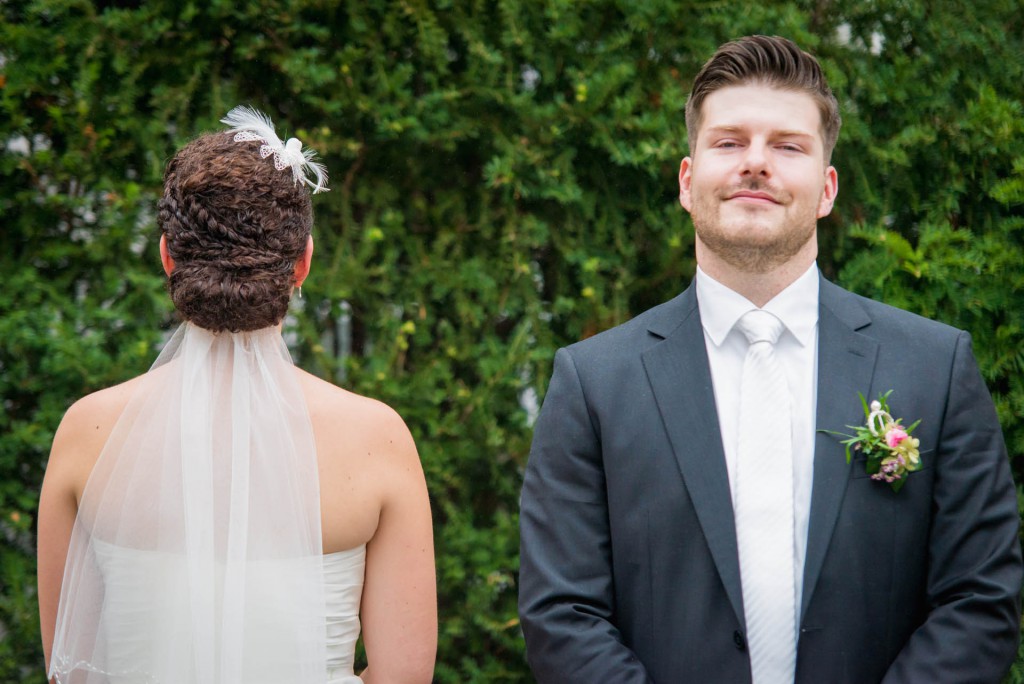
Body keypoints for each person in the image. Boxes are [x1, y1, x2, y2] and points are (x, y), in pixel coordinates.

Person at [518, 35, 1021, 683]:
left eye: (787, 146)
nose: (756, 163)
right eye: (729, 142)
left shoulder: (937, 369)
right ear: (686, 178)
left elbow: (980, 601)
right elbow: (562, 613)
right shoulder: (593, 383)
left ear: (827, 188)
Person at [38, 107, 437, 684]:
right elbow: (404, 676)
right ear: (302, 263)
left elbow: (69, 669)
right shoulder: (377, 440)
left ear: (167, 257)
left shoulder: (86, 431)